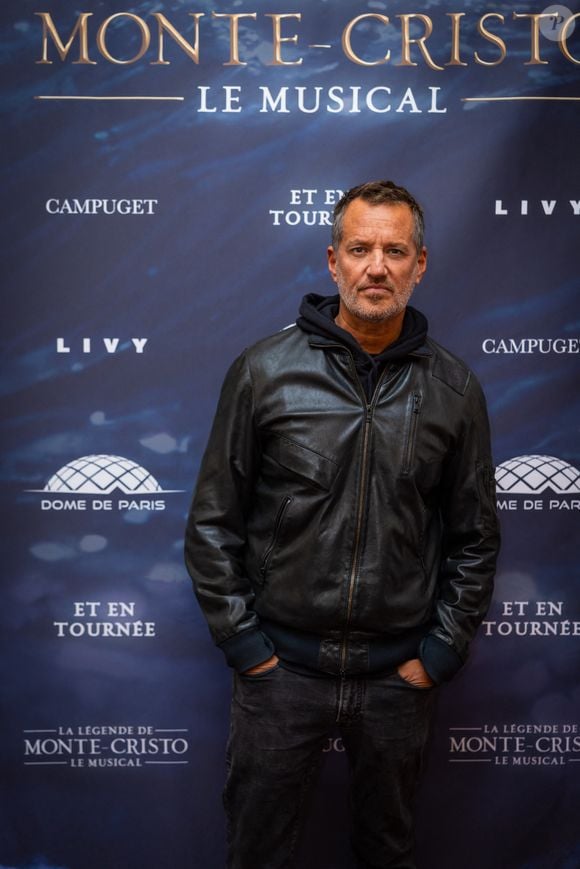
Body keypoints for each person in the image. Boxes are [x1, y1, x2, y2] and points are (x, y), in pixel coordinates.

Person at [185, 180, 500, 869]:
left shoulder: (454, 390)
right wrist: (247, 647)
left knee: (387, 852)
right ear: (333, 262)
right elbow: (212, 522)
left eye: (395, 250)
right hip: (282, 672)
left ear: (421, 264)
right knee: (257, 853)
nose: (376, 266)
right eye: (360, 249)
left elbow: (475, 538)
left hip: (398, 678)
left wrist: (439, 653)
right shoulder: (264, 372)